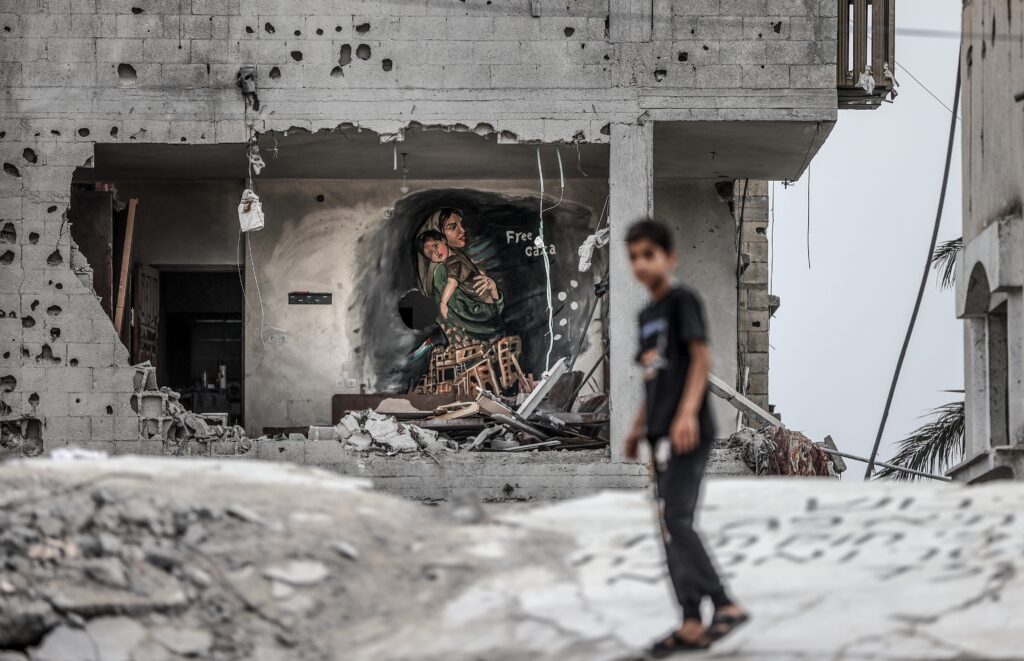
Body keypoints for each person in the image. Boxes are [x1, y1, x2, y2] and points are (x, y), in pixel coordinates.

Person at [622, 218, 749, 656]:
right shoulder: (646, 315)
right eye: (634, 256)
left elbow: (700, 359)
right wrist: (638, 427)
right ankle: (691, 621)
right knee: (668, 528)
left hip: (689, 431)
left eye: (648, 254)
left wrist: (688, 413)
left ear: (669, 257)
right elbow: (653, 378)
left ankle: (725, 603)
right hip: (660, 436)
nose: (640, 263)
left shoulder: (682, 301)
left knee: (677, 519)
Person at [415, 208, 504, 340]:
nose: (462, 230)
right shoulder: (441, 272)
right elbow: (477, 319)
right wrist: (494, 303)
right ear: (440, 234)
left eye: (461, 224)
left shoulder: (460, 258)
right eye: (452, 227)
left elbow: (493, 314)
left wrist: (493, 289)